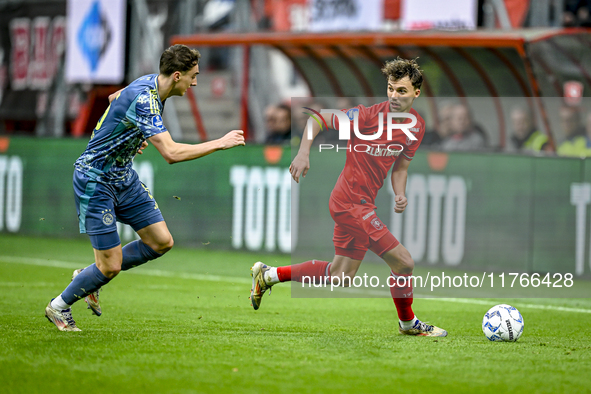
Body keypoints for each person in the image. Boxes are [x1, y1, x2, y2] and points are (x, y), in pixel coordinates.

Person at [44, 44, 245, 331]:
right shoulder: (145, 99)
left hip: (123, 177)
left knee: (161, 241)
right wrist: (219, 142)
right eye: (193, 76)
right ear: (177, 76)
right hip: (95, 179)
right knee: (110, 266)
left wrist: (127, 134)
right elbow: (171, 154)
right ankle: (59, 307)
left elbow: (116, 97)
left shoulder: (150, 83)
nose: (196, 82)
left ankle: (89, 277)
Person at [250, 57, 447, 337]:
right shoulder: (367, 116)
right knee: (404, 262)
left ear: (417, 92)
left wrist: (400, 193)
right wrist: (304, 152)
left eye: (401, 90)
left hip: (362, 204)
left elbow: (401, 167)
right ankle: (408, 323)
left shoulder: (416, 127)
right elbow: (318, 118)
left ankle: (268, 275)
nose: (393, 95)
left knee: (340, 275)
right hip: (349, 203)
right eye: (390, 88)